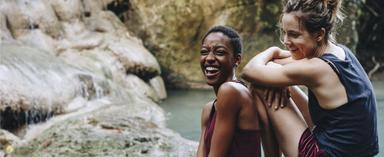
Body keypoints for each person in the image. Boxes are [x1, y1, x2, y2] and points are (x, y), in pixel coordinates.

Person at [241, 0, 379, 157]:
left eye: (294, 34)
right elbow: (274, 64)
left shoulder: (317, 68)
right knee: (271, 76)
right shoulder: (340, 52)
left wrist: (273, 50)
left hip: (324, 154)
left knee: (261, 84)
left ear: (319, 34)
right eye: (284, 32)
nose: (285, 41)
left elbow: (249, 71)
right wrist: (276, 71)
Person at [196, 26, 279, 157]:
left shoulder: (232, 91)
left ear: (237, 59)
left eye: (220, 52)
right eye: (204, 52)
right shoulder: (208, 110)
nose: (209, 58)